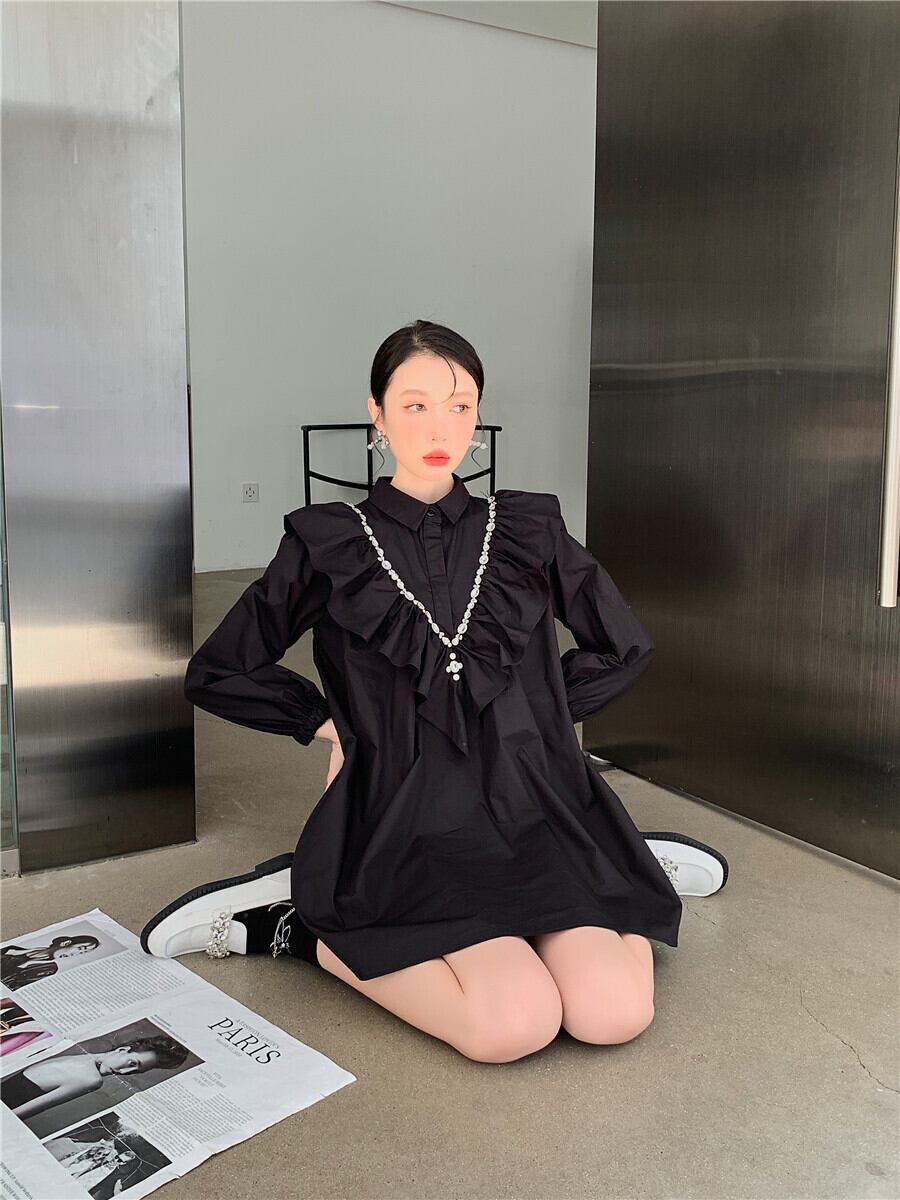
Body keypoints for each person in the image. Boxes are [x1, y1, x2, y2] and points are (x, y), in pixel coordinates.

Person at [141, 320, 728, 1064]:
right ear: (378, 415)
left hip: (533, 805)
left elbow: (625, 646)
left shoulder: (528, 529)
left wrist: (539, 716)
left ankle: (619, 865)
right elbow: (219, 669)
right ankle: (297, 925)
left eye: (460, 405)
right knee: (512, 1027)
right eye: (415, 405)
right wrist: (329, 724)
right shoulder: (331, 543)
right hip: (406, 818)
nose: (440, 427)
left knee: (614, 1014)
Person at [1, 1036, 189, 1120]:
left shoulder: (81, 1056)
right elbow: (21, 1113)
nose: (125, 1072)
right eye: (132, 1063)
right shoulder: (92, 1079)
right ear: (123, 1049)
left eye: (136, 1071)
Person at [0, 935, 101, 991]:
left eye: (83, 953)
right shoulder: (14, 948)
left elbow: (14, 986)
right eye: (80, 949)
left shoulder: (49, 969)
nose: (76, 954)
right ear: (66, 943)